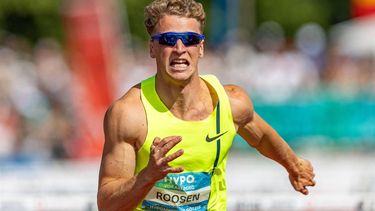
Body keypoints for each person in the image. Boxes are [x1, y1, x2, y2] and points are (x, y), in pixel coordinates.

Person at [97, 0, 316, 210]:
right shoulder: (129, 114)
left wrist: (293, 165)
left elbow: (262, 137)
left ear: (200, 47)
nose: (180, 48)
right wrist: (147, 176)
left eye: (190, 39)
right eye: (168, 39)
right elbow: (107, 204)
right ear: (153, 48)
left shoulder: (230, 103)